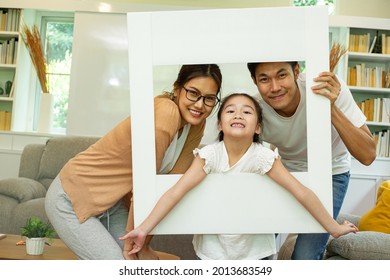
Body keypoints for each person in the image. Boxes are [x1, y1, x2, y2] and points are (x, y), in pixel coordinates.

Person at [120, 93, 358, 260]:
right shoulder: (209, 155)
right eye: (231, 110)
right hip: (212, 252)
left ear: (258, 128)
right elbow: (176, 192)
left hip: (256, 254)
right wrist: (143, 229)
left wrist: (332, 227)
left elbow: (300, 192)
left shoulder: (263, 157)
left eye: (247, 112)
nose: (238, 114)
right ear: (220, 125)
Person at [44, 64, 222, 260]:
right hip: (73, 195)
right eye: (193, 93)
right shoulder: (166, 112)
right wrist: (133, 244)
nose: (199, 104)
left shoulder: (196, 124)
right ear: (177, 88)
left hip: (113, 204)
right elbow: (144, 183)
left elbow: (167, 188)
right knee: (121, 265)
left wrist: (144, 244)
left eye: (209, 98)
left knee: (137, 262)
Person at [246, 61, 376, 260]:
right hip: (287, 171)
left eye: (282, 75)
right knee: (254, 251)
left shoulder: (328, 88)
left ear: (297, 71)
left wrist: (329, 107)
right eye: (264, 79)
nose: (274, 87)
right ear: (254, 81)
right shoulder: (255, 109)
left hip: (332, 171)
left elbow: (368, 155)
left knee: (304, 256)